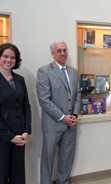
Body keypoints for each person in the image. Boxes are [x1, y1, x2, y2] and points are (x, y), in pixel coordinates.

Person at [36, 41, 80, 184]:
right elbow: (44, 100)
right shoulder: (44, 71)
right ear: (53, 53)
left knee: (67, 158)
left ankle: (64, 181)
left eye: (65, 50)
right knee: (48, 159)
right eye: (59, 50)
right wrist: (62, 117)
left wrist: (74, 115)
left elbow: (78, 95)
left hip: (71, 125)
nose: (62, 53)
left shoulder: (73, 72)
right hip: (52, 125)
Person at [0, 43, 32, 184]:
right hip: (2, 137)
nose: (9, 60)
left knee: (18, 175)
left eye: (12, 57)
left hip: (20, 136)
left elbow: (26, 106)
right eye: (5, 56)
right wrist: (10, 136)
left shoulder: (20, 80)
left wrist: (26, 130)